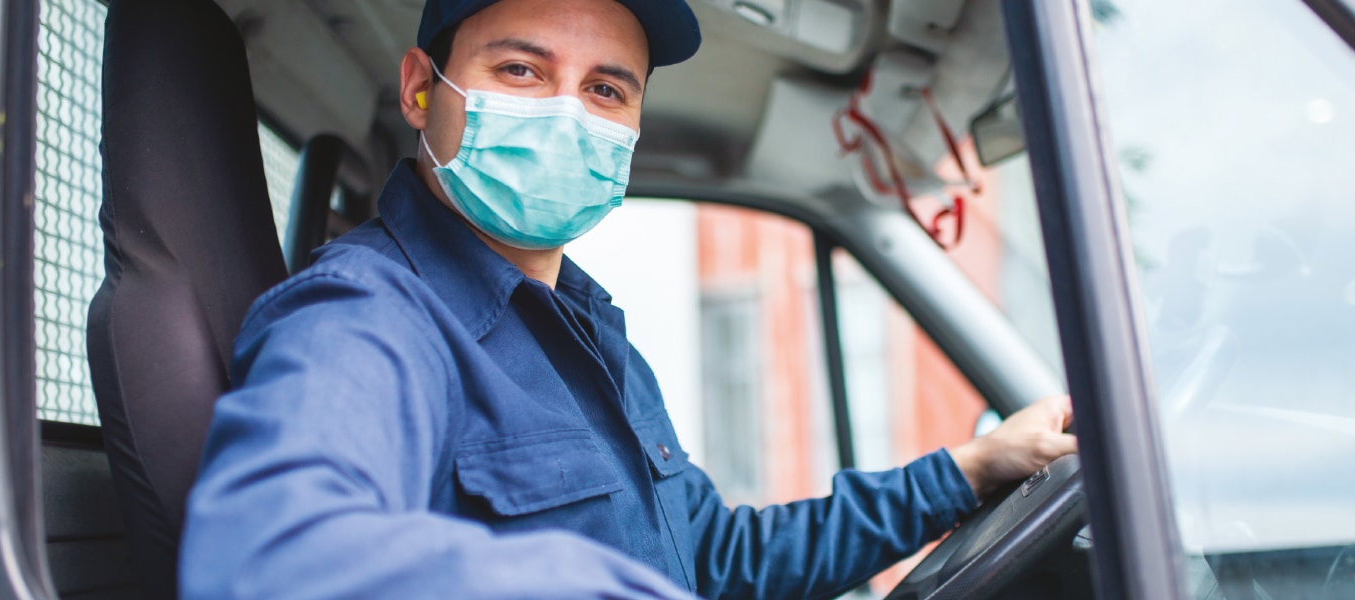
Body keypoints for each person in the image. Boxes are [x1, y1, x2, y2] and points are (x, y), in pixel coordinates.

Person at [178, 0, 1078, 597]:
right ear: (422, 89)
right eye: (522, 72)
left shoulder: (590, 332)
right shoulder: (366, 317)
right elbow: (263, 561)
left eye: (606, 89)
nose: (569, 112)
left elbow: (716, 560)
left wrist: (970, 470)